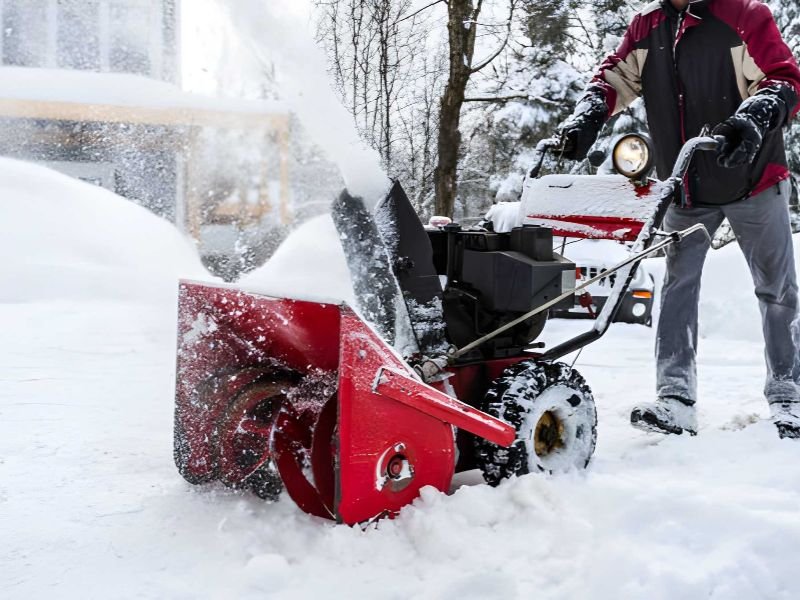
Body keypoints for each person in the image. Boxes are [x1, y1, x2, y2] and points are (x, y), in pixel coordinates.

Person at [557, 0, 800, 438]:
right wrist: (589, 117)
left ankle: (788, 397)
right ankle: (675, 398)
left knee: (777, 289)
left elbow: (783, 80)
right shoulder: (647, 27)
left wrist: (750, 120)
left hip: (754, 177)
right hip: (686, 184)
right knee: (677, 288)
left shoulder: (744, 15)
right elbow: (614, 78)